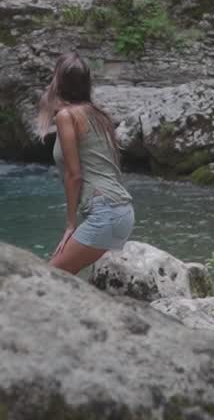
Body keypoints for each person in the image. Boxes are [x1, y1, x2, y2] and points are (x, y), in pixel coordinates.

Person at [36, 52, 134, 274]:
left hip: (105, 213)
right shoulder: (99, 114)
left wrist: (71, 223)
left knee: (50, 277)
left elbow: (74, 175)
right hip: (122, 212)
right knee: (62, 276)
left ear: (58, 80)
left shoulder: (67, 116)